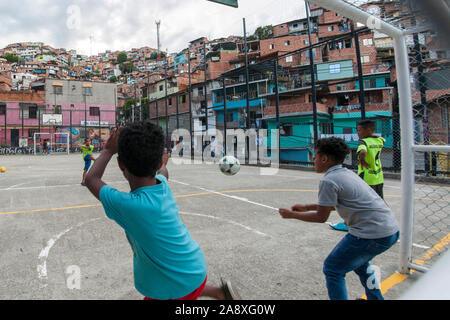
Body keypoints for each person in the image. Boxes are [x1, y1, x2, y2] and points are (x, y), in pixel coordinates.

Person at [84, 121, 240, 300]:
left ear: (120, 165)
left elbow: (91, 179)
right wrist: (163, 164)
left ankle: (218, 293)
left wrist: (108, 150)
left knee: (183, 287)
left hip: (171, 288)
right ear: (158, 163)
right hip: (195, 268)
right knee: (188, 284)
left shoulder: (127, 206)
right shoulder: (162, 185)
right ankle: (219, 293)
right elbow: (164, 173)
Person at [278, 137, 399, 300]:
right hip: (390, 230)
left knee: (333, 268)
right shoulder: (346, 173)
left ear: (324, 158)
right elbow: (335, 204)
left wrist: (292, 215)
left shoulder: (329, 180)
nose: (314, 160)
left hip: (371, 235)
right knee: (361, 264)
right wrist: (307, 207)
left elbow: (321, 217)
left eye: (315, 157)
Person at [330, 120, 386, 232]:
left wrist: (362, 159)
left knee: (355, 200)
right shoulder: (380, 140)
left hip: (366, 177)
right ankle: (382, 222)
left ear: (368, 130)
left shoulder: (363, 142)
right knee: (378, 201)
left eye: (359, 130)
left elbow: (362, 152)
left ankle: (349, 223)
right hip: (378, 176)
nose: (358, 133)